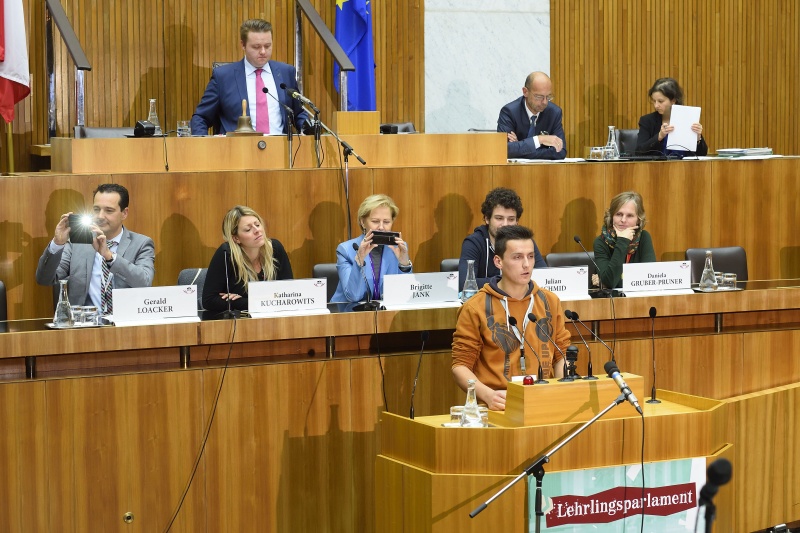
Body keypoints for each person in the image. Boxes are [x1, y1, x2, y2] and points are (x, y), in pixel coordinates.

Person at [452, 225, 568, 411]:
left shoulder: (549, 301)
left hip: (543, 400)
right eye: (517, 257)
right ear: (498, 261)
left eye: (530, 256)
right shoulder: (475, 307)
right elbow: (460, 366)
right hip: (498, 404)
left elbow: (561, 354)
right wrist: (488, 395)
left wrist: (565, 383)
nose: (526, 264)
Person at [35, 183, 155, 314]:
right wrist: (57, 243)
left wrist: (109, 257)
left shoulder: (141, 243)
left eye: (109, 211)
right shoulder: (77, 243)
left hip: (124, 326)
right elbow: (44, 279)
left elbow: (144, 282)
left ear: (124, 213)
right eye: (96, 209)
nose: (100, 216)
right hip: (85, 326)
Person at [191, 19, 309, 136]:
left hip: (280, 148)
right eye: (256, 47)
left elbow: (299, 113)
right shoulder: (223, 77)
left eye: (267, 46)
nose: (263, 51)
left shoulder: (286, 72)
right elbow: (201, 118)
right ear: (243, 45)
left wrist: (307, 128)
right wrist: (204, 148)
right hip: (237, 150)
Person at [202, 206, 293, 313]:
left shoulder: (275, 249)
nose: (257, 230)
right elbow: (209, 301)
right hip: (240, 323)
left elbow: (289, 292)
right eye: (248, 229)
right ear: (236, 238)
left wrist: (242, 301)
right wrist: (259, 301)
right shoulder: (226, 254)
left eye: (258, 224)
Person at [458, 187, 546, 292]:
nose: (505, 224)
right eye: (499, 218)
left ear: (517, 221)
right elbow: (465, 283)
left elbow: (544, 277)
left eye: (511, 219)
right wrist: (510, 281)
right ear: (487, 218)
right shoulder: (474, 243)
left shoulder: (524, 241)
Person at [331, 194, 412, 303]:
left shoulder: (398, 248)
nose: (381, 227)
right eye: (375, 221)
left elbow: (406, 293)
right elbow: (353, 296)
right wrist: (360, 259)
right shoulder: (346, 250)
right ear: (362, 222)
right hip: (348, 313)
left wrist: (404, 264)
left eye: (387, 222)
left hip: (385, 312)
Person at [593, 191, 656, 289]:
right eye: (619, 214)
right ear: (611, 216)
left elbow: (649, 279)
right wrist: (622, 241)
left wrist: (604, 281)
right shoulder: (601, 242)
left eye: (630, 216)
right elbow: (610, 282)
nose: (623, 220)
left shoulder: (644, 237)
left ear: (638, 219)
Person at [497, 71, 566, 160]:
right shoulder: (509, 112)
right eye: (539, 97)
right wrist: (539, 140)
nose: (545, 102)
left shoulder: (554, 113)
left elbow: (560, 151)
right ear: (525, 92)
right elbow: (504, 149)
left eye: (548, 97)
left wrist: (520, 147)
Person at [636, 77, 708, 156]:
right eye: (654, 101)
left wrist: (698, 139)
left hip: (685, 166)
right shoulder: (647, 120)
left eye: (660, 101)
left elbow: (702, 154)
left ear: (673, 100)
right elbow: (639, 152)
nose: (656, 105)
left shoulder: (687, 118)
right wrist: (659, 136)